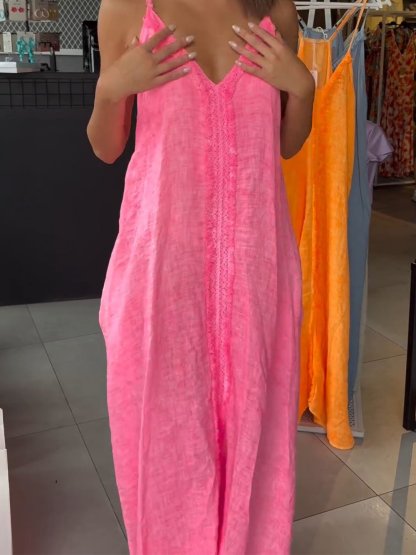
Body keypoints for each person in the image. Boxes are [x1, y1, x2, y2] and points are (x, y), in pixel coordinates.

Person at [87, 0, 314, 553]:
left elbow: (286, 144)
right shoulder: (127, 9)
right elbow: (106, 146)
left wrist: (303, 89)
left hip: (258, 272)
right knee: (168, 448)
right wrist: (110, 89)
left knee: (256, 437)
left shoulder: (275, 10)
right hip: (162, 276)